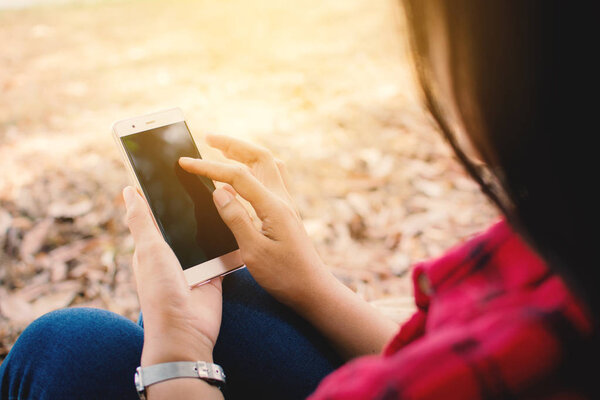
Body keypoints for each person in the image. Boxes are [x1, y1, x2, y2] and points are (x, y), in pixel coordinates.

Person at [1, 0, 596, 398]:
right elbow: (453, 345)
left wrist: (177, 350)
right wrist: (316, 287)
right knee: (243, 291)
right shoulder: (562, 250)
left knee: (64, 347)